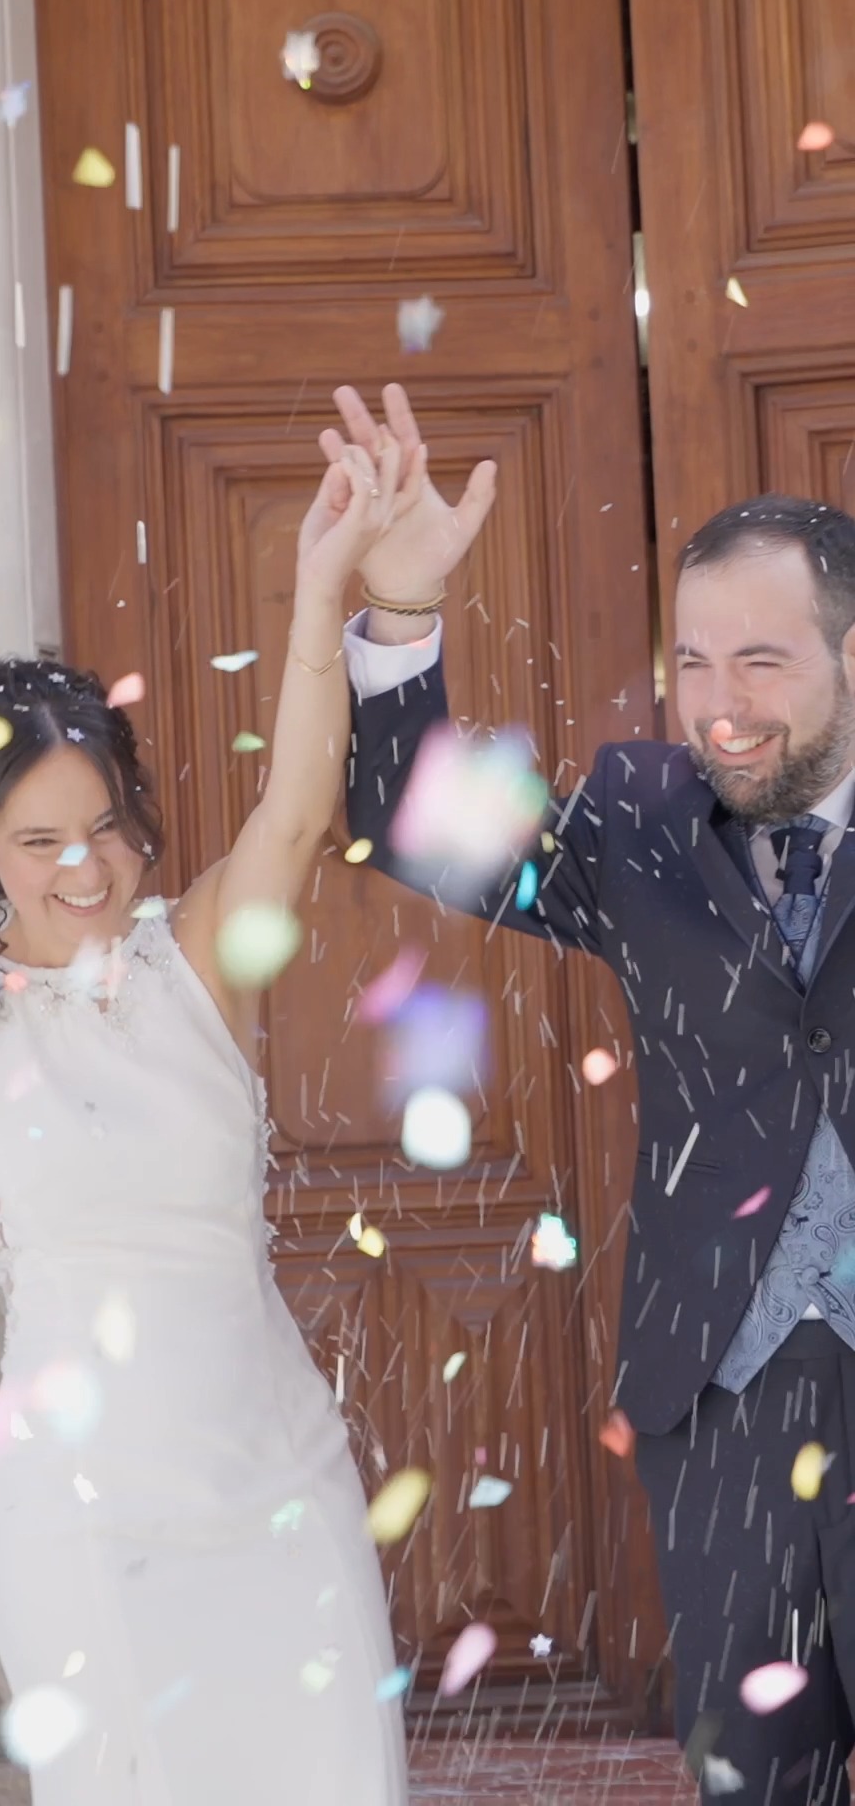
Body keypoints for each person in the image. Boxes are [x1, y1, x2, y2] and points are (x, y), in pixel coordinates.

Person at [0, 442, 411, 1804]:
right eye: (37, 842)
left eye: (107, 825)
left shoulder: (200, 958)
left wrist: (321, 586)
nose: (84, 867)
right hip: (84, 1512)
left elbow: (301, 810)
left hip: (276, 1484)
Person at [335, 382, 855, 1805]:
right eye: (693, 662)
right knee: (756, 1778)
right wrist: (400, 615)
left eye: (762, 660)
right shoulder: (637, 811)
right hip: (723, 1394)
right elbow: (417, 832)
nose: (719, 706)